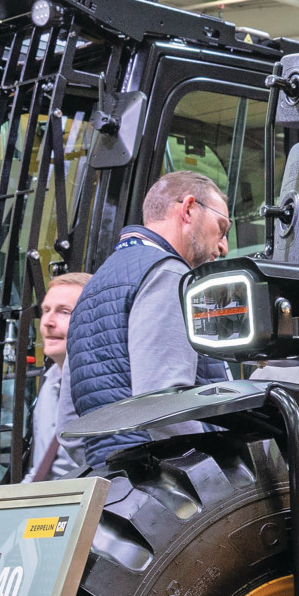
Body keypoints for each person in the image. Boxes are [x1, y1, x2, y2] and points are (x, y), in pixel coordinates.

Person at [68, 172, 233, 471]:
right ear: (188, 209)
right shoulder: (167, 273)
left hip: (111, 478)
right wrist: (207, 467)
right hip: (163, 478)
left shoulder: (95, 285)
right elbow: (162, 402)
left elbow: (68, 423)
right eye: (221, 228)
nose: (224, 247)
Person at [28, 271, 90, 480]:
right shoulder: (50, 381)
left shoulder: (102, 384)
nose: (47, 322)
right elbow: (42, 470)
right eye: (46, 310)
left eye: (64, 312)